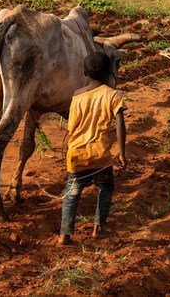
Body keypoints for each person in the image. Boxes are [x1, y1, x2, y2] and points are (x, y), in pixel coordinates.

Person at [58, 52, 128, 245]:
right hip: (101, 156)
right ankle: (99, 228)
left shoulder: (77, 96)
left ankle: (65, 234)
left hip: (77, 154)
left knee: (72, 193)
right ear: (109, 73)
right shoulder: (113, 95)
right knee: (105, 188)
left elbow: (71, 126)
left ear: (84, 72)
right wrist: (121, 153)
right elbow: (121, 123)